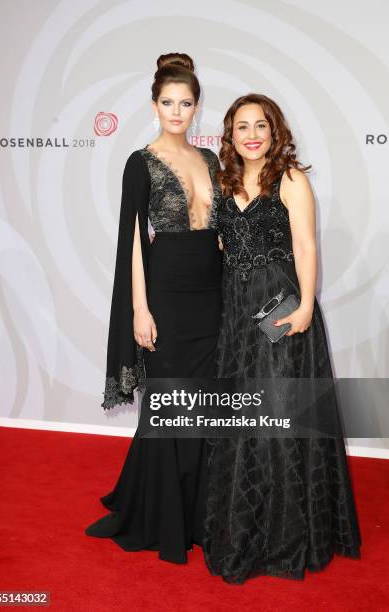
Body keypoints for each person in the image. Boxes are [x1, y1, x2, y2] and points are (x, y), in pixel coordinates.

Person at [203, 93, 362, 584]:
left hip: (279, 307)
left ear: (275, 132)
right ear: (229, 135)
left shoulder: (291, 179)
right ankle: (242, 530)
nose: (251, 135)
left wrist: (308, 306)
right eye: (242, 127)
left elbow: (306, 245)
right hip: (234, 310)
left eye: (261, 126)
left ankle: (286, 535)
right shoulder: (222, 181)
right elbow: (220, 246)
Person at [85, 53, 223, 564]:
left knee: (205, 409)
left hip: (211, 295)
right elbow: (133, 243)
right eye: (168, 102)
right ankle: (158, 514)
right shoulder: (139, 162)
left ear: (196, 107)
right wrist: (140, 309)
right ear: (154, 104)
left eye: (186, 103)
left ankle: (198, 515)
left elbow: (224, 233)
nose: (177, 111)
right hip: (163, 290)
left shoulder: (211, 161)